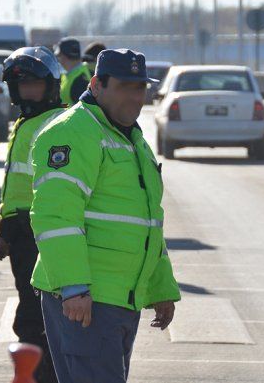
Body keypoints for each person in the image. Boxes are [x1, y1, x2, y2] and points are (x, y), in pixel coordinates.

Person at [30, 49, 181, 383]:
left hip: (119, 298)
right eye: (124, 87)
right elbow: (56, 217)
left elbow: (147, 222)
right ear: (97, 85)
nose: (135, 97)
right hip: (87, 299)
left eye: (139, 87)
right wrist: (73, 288)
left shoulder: (131, 138)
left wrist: (160, 288)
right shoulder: (74, 132)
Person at [0, 46, 65, 383]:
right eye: (22, 85)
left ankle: (42, 376)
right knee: (30, 310)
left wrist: (26, 226)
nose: (28, 92)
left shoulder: (54, 124)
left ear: (50, 86)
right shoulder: (25, 123)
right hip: (21, 232)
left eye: (35, 84)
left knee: (37, 317)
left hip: (41, 233)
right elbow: (17, 186)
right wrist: (5, 230)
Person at [54, 38, 91, 106]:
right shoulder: (75, 74)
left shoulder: (80, 80)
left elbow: (81, 108)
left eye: (59, 56)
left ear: (64, 56)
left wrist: (60, 107)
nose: (59, 60)